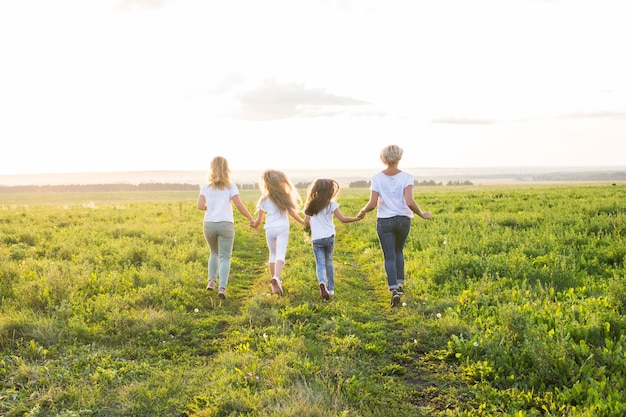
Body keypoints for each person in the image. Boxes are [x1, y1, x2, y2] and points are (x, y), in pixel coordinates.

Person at [358, 144, 431, 307]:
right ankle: (400, 285)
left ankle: (393, 290)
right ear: (399, 158)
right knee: (399, 251)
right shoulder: (407, 177)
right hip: (403, 220)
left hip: (385, 221)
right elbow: (410, 202)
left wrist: (362, 211)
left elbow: (372, 204)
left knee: (389, 255)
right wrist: (422, 214)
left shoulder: (377, 178)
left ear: (383, 158)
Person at [197, 156, 256, 299]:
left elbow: (199, 206)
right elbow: (239, 205)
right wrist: (251, 218)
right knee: (225, 257)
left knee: (214, 253)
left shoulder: (206, 186)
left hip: (209, 224)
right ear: (226, 168)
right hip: (226, 224)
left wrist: (210, 208)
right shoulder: (230, 185)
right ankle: (222, 288)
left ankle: (211, 281)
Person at [303, 178, 364, 300]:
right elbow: (342, 219)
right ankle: (330, 290)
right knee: (328, 261)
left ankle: (322, 282)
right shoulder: (331, 204)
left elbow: (306, 222)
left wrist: (313, 229)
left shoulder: (310, 204)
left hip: (316, 239)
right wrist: (357, 218)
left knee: (320, 263)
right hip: (329, 237)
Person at [251, 169, 305, 295]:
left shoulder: (263, 199)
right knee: (280, 254)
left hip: (269, 229)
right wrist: (304, 223)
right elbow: (293, 214)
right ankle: (276, 277)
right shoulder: (284, 197)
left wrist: (255, 224)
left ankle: (274, 286)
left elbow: (259, 220)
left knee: (272, 254)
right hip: (282, 228)